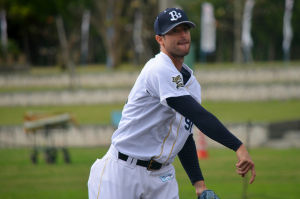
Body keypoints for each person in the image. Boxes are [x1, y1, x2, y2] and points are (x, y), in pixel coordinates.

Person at [88, 7, 256, 199]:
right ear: (160, 39)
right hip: (122, 172)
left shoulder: (191, 83)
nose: (182, 35)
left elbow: (182, 136)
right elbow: (199, 116)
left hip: (162, 177)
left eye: (185, 29)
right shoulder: (158, 68)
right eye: (174, 31)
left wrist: (199, 186)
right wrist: (238, 147)